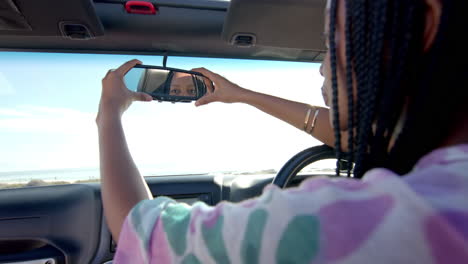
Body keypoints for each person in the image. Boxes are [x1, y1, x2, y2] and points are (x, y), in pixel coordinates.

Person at [96, 0, 468, 263]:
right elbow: (356, 141)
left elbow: (141, 233)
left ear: (422, 25)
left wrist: (109, 113)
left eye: (330, 42)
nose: (322, 67)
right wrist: (242, 95)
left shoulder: (352, 222)